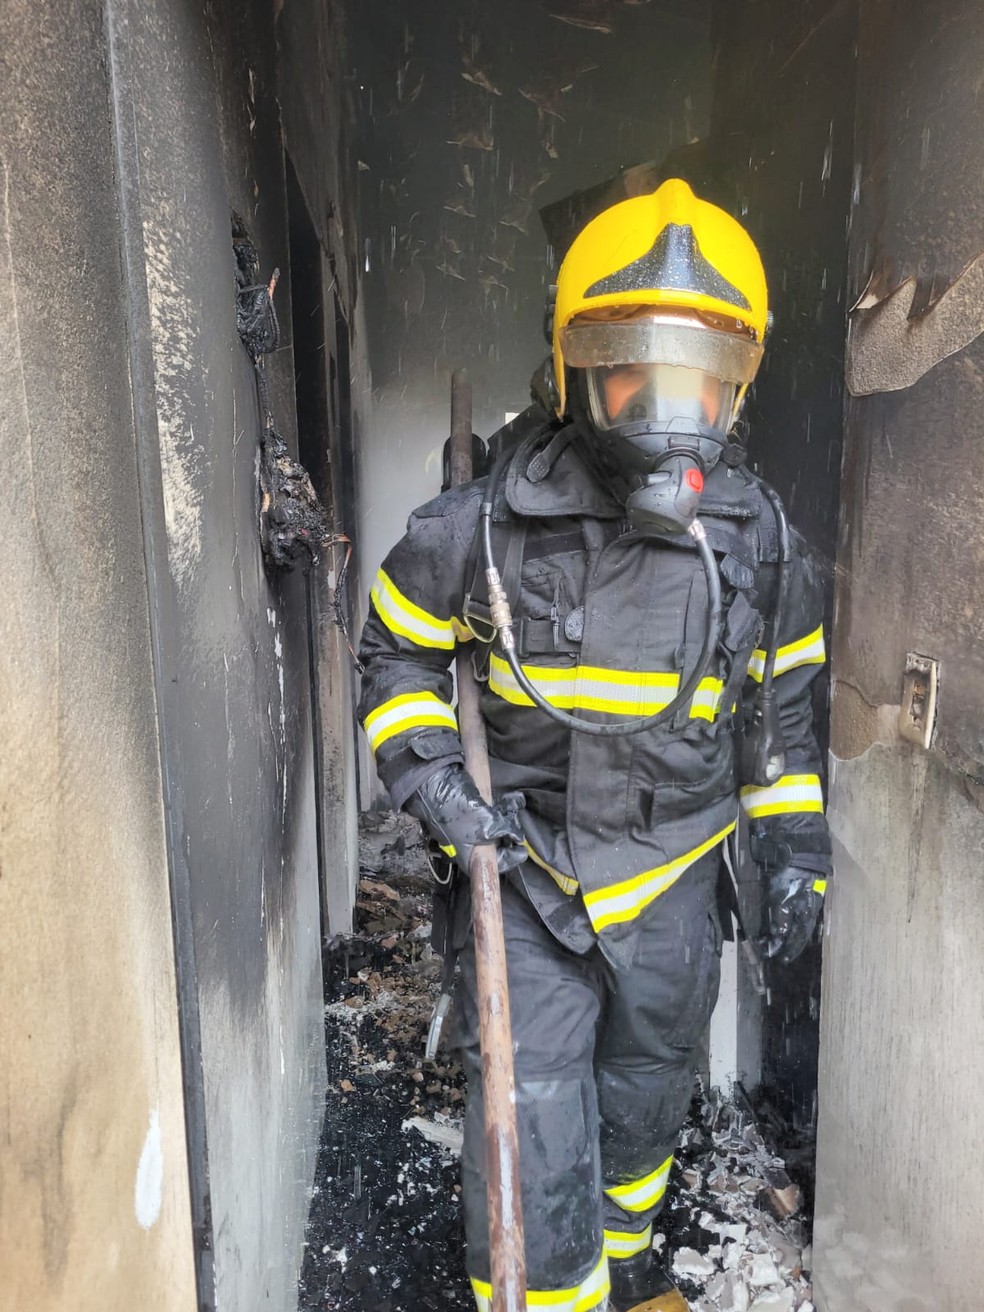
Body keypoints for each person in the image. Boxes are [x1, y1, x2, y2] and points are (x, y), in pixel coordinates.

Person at [357, 178, 831, 1312]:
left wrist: (796, 851)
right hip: (531, 874)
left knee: (644, 1098)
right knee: (530, 1123)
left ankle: (622, 1274)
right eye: (635, 362)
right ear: (574, 365)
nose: (668, 399)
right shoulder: (479, 527)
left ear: (737, 379)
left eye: (698, 371)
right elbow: (397, 655)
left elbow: (782, 720)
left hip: (676, 878)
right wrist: (435, 786)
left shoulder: (761, 544)